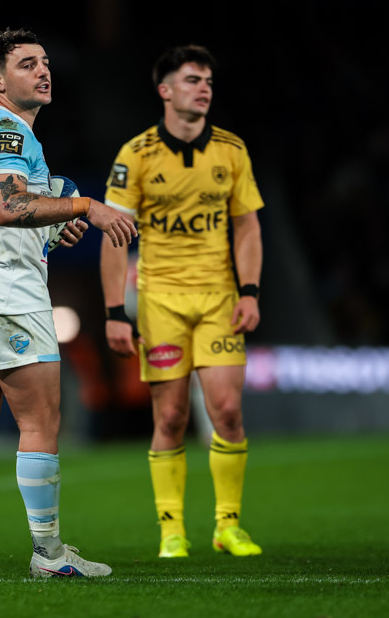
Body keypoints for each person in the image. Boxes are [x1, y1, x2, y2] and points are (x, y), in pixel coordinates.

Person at [0, 28, 137, 580]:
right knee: (40, 423)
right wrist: (86, 205)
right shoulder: (7, 127)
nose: (43, 71)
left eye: (44, 62)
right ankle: (49, 555)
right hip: (7, 297)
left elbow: (4, 209)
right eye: (27, 64)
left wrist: (51, 227)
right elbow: (7, 205)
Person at [100, 45, 265, 559]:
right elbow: (114, 236)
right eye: (193, 79)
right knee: (170, 416)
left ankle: (227, 525)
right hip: (161, 302)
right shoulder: (136, 154)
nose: (204, 88)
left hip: (218, 299)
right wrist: (114, 312)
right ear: (165, 91)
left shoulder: (231, 150)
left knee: (227, 410)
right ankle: (172, 530)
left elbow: (247, 227)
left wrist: (250, 291)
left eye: (209, 81)